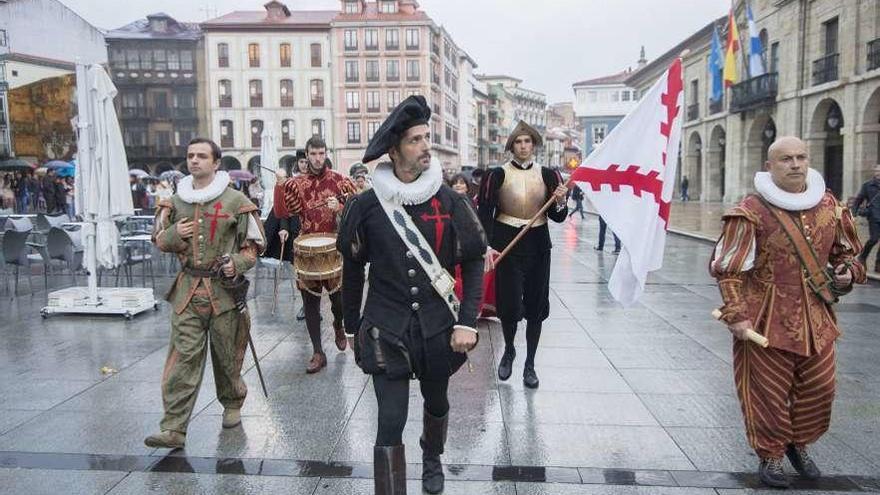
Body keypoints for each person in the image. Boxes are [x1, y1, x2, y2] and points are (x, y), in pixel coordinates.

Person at [338, 95, 484, 495]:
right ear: (394, 150)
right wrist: (351, 327)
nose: (425, 147)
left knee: (437, 404)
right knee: (390, 419)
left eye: (426, 138)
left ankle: (432, 457)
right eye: (415, 140)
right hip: (386, 325)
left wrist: (467, 321)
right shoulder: (365, 206)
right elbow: (352, 269)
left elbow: (473, 261)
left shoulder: (449, 200)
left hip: (439, 327)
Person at [709, 136, 865, 488]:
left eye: (800, 157)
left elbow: (850, 257)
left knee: (821, 389)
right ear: (769, 166)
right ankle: (771, 455)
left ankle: (798, 442)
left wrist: (847, 273)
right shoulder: (749, 210)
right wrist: (736, 313)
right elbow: (729, 268)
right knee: (767, 393)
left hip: (817, 318)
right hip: (765, 317)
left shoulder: (831, 206)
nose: (795, 164)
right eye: (785, 159)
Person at [144, 138, 266, 449]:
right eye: (190, 156)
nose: (194, 161)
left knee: (226, 357)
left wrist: (235, 263)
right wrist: (174, 234)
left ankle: (232, 402)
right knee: (183, 358)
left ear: (216, 163)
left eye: (201, 156)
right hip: (187, 291)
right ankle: (173, 427)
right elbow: (157, 239)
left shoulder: (237, 202)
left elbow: (253, 248)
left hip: (224, 294)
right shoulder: (174, 201)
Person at [478, 120, 568, 389]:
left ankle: (530, 363)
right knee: (509, 306)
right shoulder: (498, 175)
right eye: (518, 142)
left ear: (534, 145)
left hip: (539, 246)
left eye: (528, 141)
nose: (524, 146)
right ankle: (509, 350)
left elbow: (558, 216)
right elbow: (485, 213)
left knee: (536, 307)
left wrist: (562, 200)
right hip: (508, 245)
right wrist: (487, 245)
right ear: (511, 146)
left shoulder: (549, 175)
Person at [274, 136, 357, 373]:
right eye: (313, 154)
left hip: (334, 248)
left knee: (338, 300)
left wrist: (340, 207)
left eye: (321, 153)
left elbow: (358, 209)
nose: (318, 158)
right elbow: (282, 211)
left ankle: (339, 325)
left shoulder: (340, 181)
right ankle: (318, 352)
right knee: (310, 301)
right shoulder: (297, 183)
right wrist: (279, 186)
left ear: (326, 153)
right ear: (306, 155)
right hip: (308, 249)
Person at [854, 164, 880, 273]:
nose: (879, 173)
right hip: (874, 216)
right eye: (877, 171)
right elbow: (858, 200)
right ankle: (862, 257)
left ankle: (878, 264)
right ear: (874, 172)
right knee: (874, 239)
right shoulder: (868, 185)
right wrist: (853, 214)